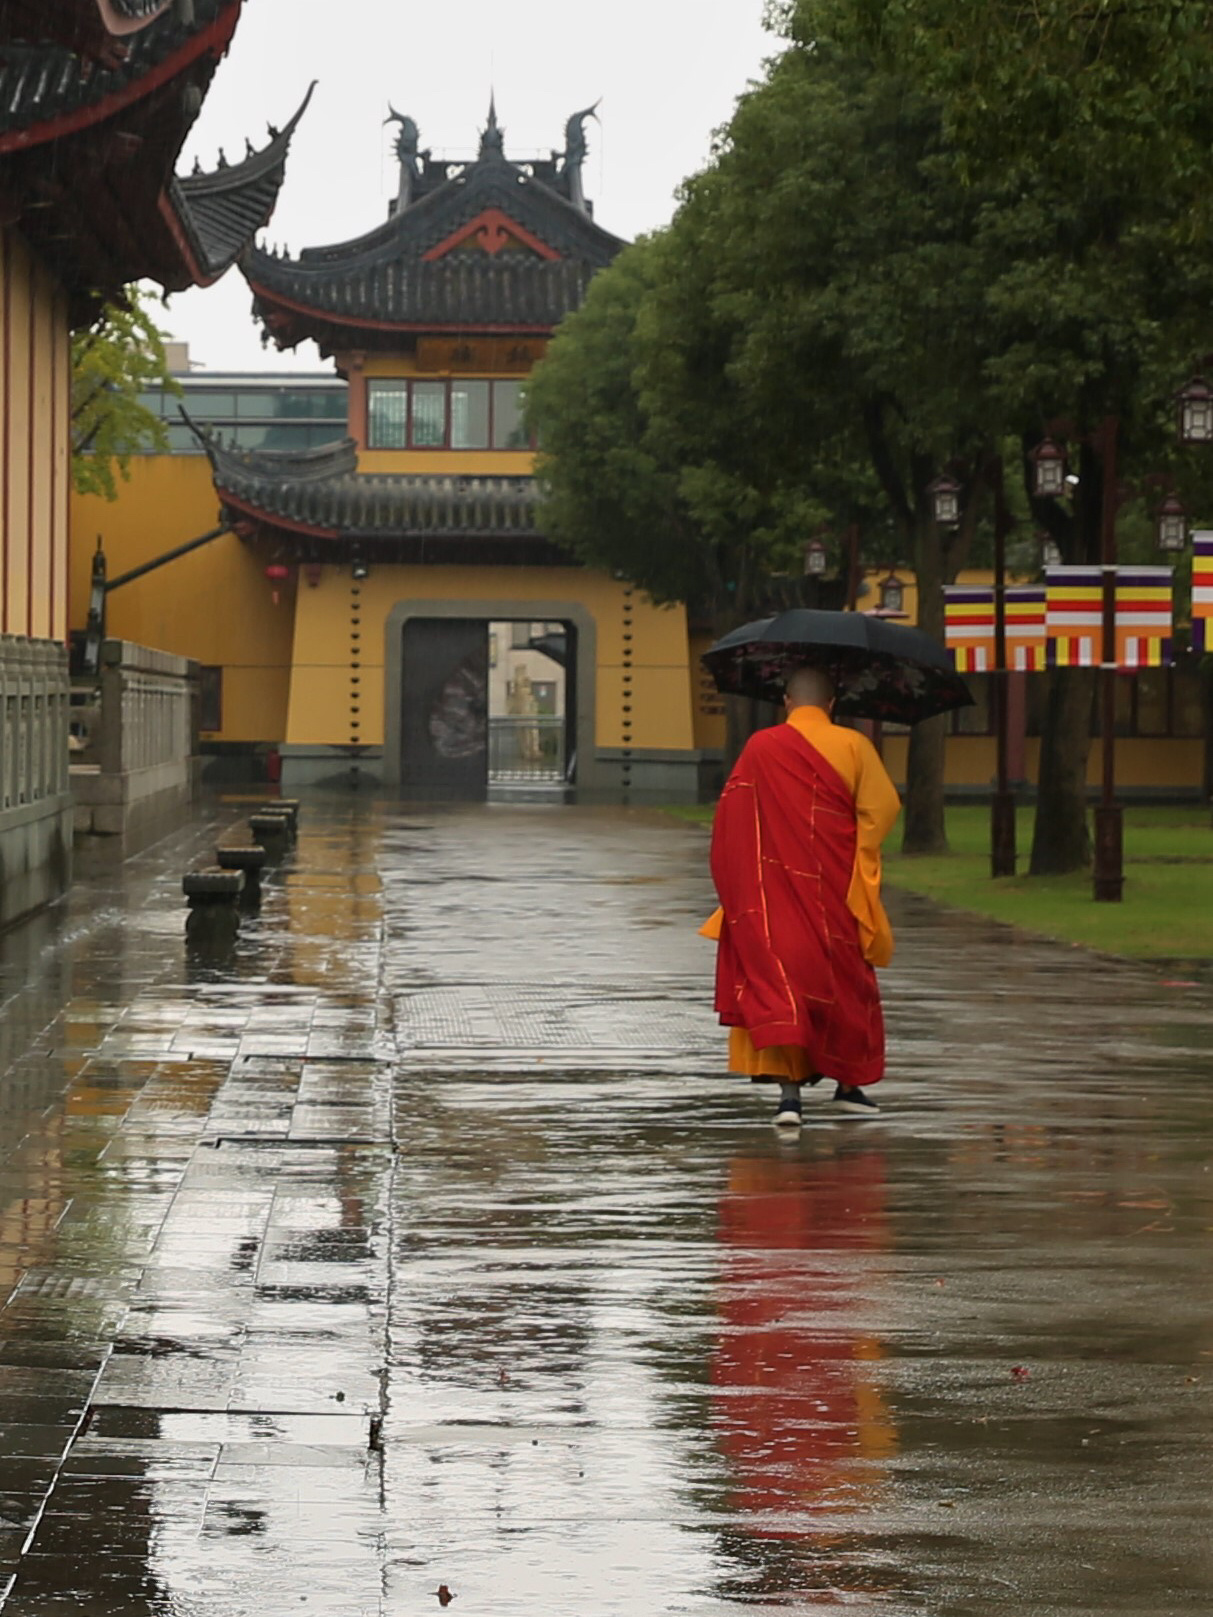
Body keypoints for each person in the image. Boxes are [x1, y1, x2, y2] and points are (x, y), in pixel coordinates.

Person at [701, 665, 900, 1126]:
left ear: (787, 703)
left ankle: (789, 1098)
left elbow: (733, 817)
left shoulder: (760, 747)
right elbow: (883, 808)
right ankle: (849, 1086)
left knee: (781, 981)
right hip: (836, 886)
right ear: (831, 705)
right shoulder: (854, 745)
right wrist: (859, 849)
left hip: (774, 889)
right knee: (845, 982)